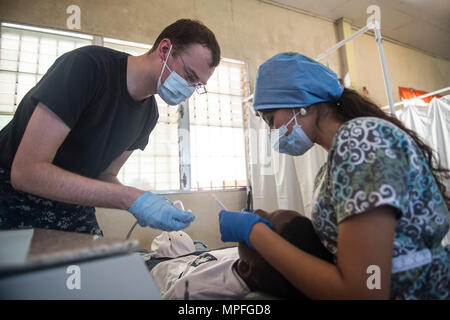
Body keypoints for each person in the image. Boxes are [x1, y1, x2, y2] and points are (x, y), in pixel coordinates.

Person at [218, 52, 450, 299]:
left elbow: (365, 291)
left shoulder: (361, 140)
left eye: (271, 120)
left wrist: (254, 232)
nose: (272, 132)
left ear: (300, 101)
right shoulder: (330, 168)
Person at [0, 19, 221, 235]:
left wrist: (142, 202)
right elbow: (26, 172)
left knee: (99, 268)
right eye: (189, 76)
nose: (189, 89)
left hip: (71, 203)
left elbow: (105, 175)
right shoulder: (88, 67)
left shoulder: (148, 115)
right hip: (11, 194)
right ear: (165, 49)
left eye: (197, 85)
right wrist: (129, 198)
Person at [149, 209, 333, 299]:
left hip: (158, 272)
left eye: (264, 223)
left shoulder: (194, 291)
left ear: (244, 267)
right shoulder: (254, 263)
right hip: (190, 260)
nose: (257, 211)